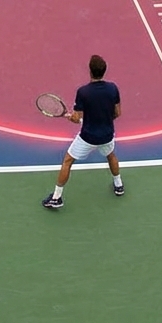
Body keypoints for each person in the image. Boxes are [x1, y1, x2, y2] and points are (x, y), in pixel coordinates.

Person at [42, 54, 124, 209]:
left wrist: (70, 117)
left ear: (90, 71)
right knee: (111, 155)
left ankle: (56, 198)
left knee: (67, 161)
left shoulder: (83, 92)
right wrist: (103, 120)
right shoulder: (113, 88)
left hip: (88, 138)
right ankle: (118, 185)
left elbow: (76, 118)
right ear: (104, 71)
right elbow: (117, 113)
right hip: (107, 135)